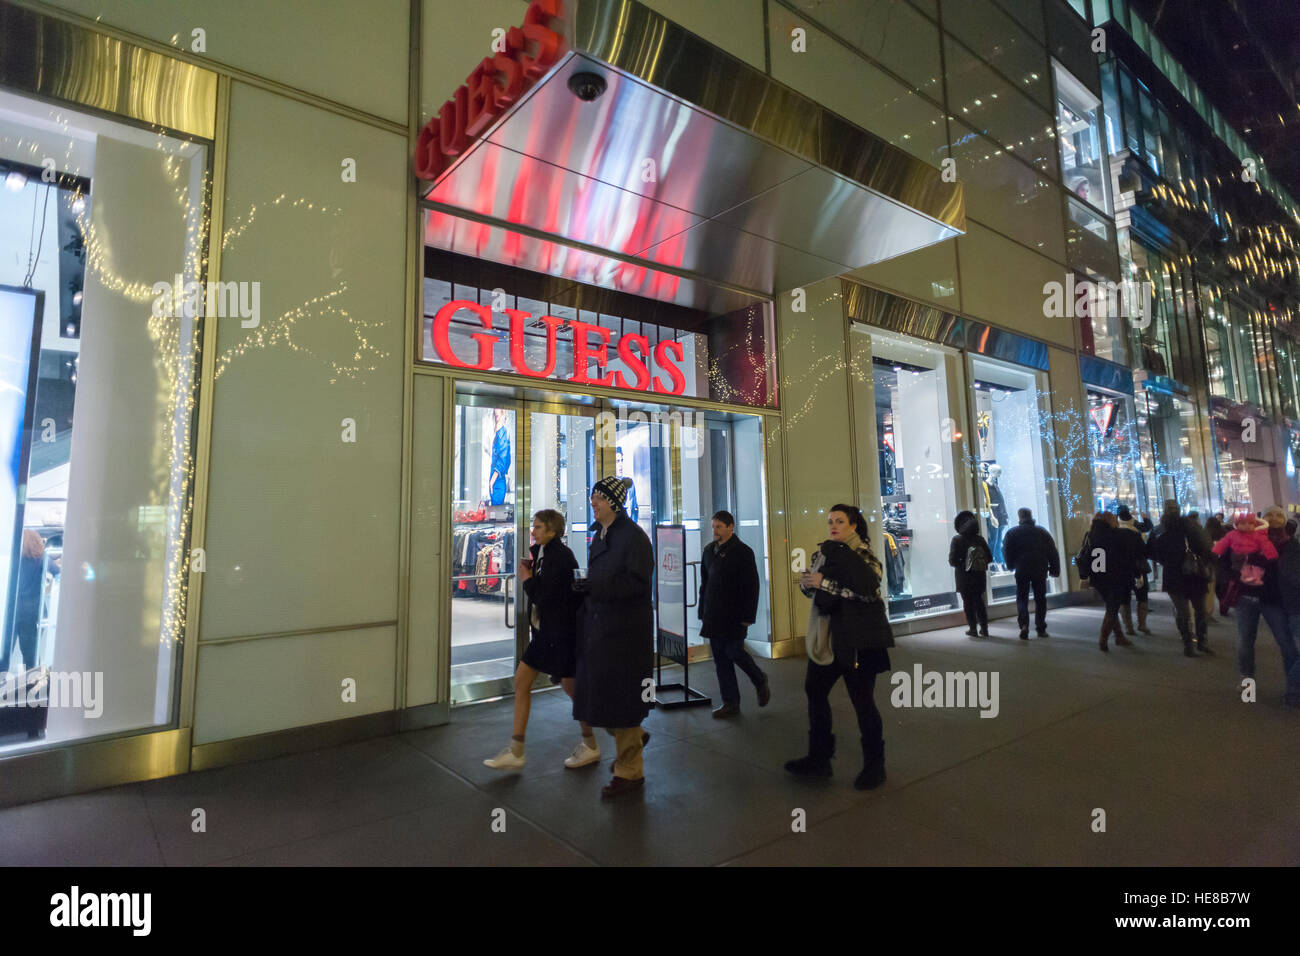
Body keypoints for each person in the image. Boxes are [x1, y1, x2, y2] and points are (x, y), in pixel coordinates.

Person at [786, 504, 894, 790]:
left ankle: (875, 765)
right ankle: (819, 757)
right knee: (815, 690)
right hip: (828, 636)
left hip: (858, 639)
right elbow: (812, 589)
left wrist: (825, 583)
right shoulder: (822, 552)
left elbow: (868, 590)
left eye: (840, 521)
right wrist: (810, 583)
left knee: (863, 701)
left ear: (853, 526)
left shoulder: (864, 553)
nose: (833, 526)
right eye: (830, 521)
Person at [484, 510, 598, 770]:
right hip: (552, 632)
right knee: (530, 681)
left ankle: (603, 739)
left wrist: (526, 578)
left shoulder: (558, 557)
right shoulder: (548, 554)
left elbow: (545, 597)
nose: (532, 531)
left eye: (537, 527)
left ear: (551, 531)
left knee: (572, 690)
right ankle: (517, 749)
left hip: (557, 634)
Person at [572, 476, 654, 800]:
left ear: (614, 504)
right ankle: (632, 741)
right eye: (593, 498)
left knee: (624, 701)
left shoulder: (633, 539)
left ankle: (630, 772)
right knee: (607, 699)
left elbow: (638, 586)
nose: (593, 503)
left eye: (599, 499)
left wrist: (595, 588)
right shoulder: (602, 535)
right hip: (604, 631)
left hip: (626, 635)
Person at [699, 510, 769, 718]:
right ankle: (731, 702)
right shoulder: (709, 551)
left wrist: (748, 616)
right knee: (721, 659)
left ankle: (759, 678)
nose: (715, 531)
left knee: (734, 652)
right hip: (713, 615)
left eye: (719, 527)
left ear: (731, 527)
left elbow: (751, 586)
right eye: (713, 527)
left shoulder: (742, 552)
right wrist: (702, 609)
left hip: (734, 615)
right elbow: (705, 584)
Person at [1235, 506, 1298, 700]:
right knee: (1246, 641)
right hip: (1250, 596)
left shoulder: (1289, 544)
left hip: (1272, 599)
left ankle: (1292, 690)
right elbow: (1233, 561)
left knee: (1286, 645)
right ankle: (1248, 685)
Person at [1147, 500, 1211, 656]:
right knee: (1200, 610)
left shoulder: (1159, 530)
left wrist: (1165, 561)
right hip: (1193, 574)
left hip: (1173, 574)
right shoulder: (1191, 526)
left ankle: (1188, 643)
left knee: (1183, 612)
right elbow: (1206, 546)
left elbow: (1151, 551)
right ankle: (1201, 641)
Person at [1083, 512, 1141, 652]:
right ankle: (1103, 641)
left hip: (1098, 578)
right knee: (1112, 609)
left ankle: (1119, 636)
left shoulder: (1090, 535)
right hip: (1116, 577)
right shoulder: (1118, 535)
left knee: (1111, 607)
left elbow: (1086, 556)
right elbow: (1129, 554)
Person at [1001, 507, 1060, 639]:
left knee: (1022, 598)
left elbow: (1007, 551)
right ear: (1031, 516)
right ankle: (1040, 628)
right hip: (1040, 569)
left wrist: (1010, 565)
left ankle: (1024, 625)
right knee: (1040, 599)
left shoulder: (1012, 533)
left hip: (1022, 569)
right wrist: (1055, 569)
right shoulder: (1042, 532)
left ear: (1019, 517)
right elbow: (1052, 551)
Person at [0, 530, 51, 674]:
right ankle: (33, 688)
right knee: (31, 656)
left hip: (13, 610)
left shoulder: (13, 559)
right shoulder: (43, 559)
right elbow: (57, 572)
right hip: (35, 609)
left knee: (4, 652)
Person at [1271, 515, 1300, 708]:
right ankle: (1292, 692)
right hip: (1296, 607)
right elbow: (1294, 579)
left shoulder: (1291, 550)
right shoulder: (1291, 552)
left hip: (1293, 606)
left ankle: (1292, 692)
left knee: (1292, 652)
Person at [948, 510, 992, 638]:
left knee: (967, 603)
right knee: (979, 602)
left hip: (964, 577)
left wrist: (963, 564)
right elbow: (989, 557)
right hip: (979, 576)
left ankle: (973, 628)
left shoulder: (957, 540)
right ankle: (984, 628)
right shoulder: (980, 539)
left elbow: (952, 561)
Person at [1116, 505, 1153, 635]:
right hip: (1138, 569)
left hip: (1121, 570)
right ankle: (1142, 624)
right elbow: (1144, 551)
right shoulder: (1135, 531)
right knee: (1142, 596)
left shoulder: (1114, 533)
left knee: (1124, 598)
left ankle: (1128, 627)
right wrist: (1146, 519)